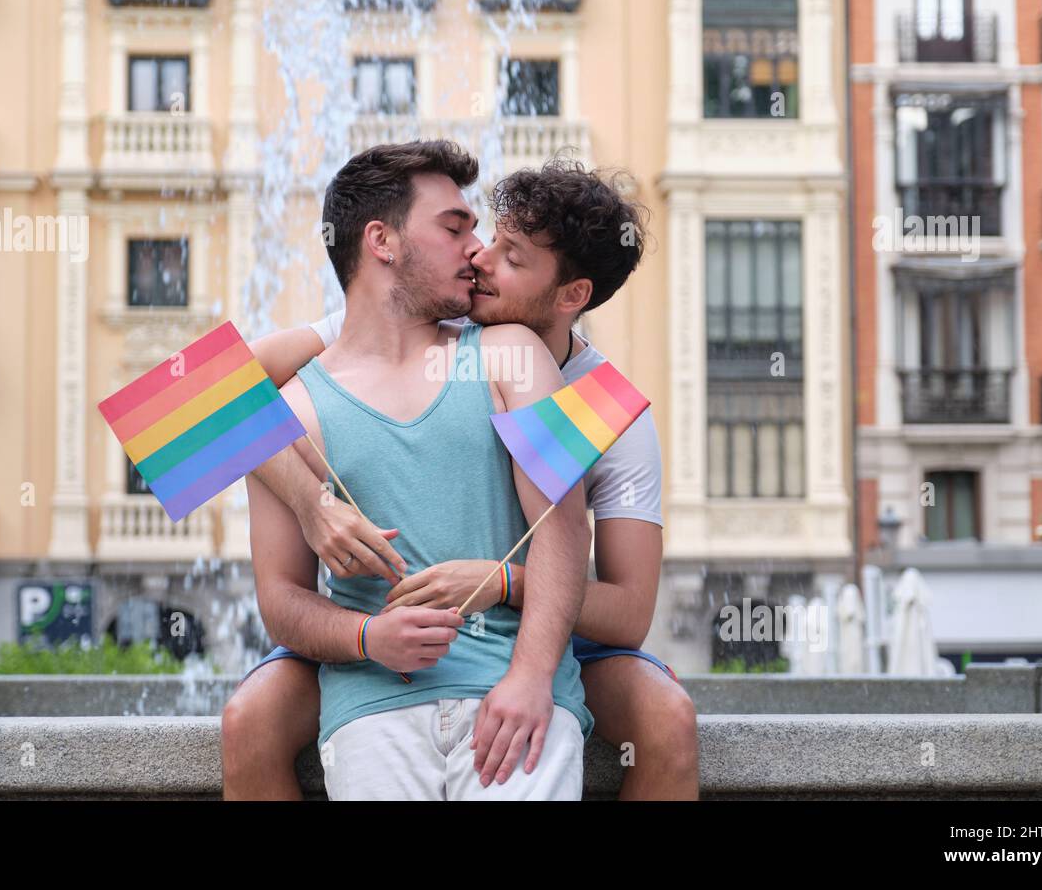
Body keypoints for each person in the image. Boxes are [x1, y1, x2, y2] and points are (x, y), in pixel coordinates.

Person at [222, 154, 700, 800]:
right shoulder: (410, 322)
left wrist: (504, 587)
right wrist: (311, 503)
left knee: (666, 715)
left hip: (552, 631)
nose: (479, 258)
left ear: (572, 296)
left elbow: (630, 611)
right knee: (248, 717)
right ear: (382, 243)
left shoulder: (605, 409)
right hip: (383, 661)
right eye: (474, 235)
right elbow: (204, 402)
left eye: (511, 256)